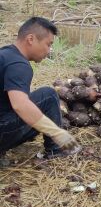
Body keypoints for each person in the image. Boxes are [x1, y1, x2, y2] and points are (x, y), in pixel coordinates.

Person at [0, 17, 79, 164]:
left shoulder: (5, 54)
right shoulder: (19, 65)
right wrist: (57, 133)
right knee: (48, 96)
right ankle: (55, 150)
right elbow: (20, 105)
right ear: (31, 39)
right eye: (48, 44)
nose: (49, 51)